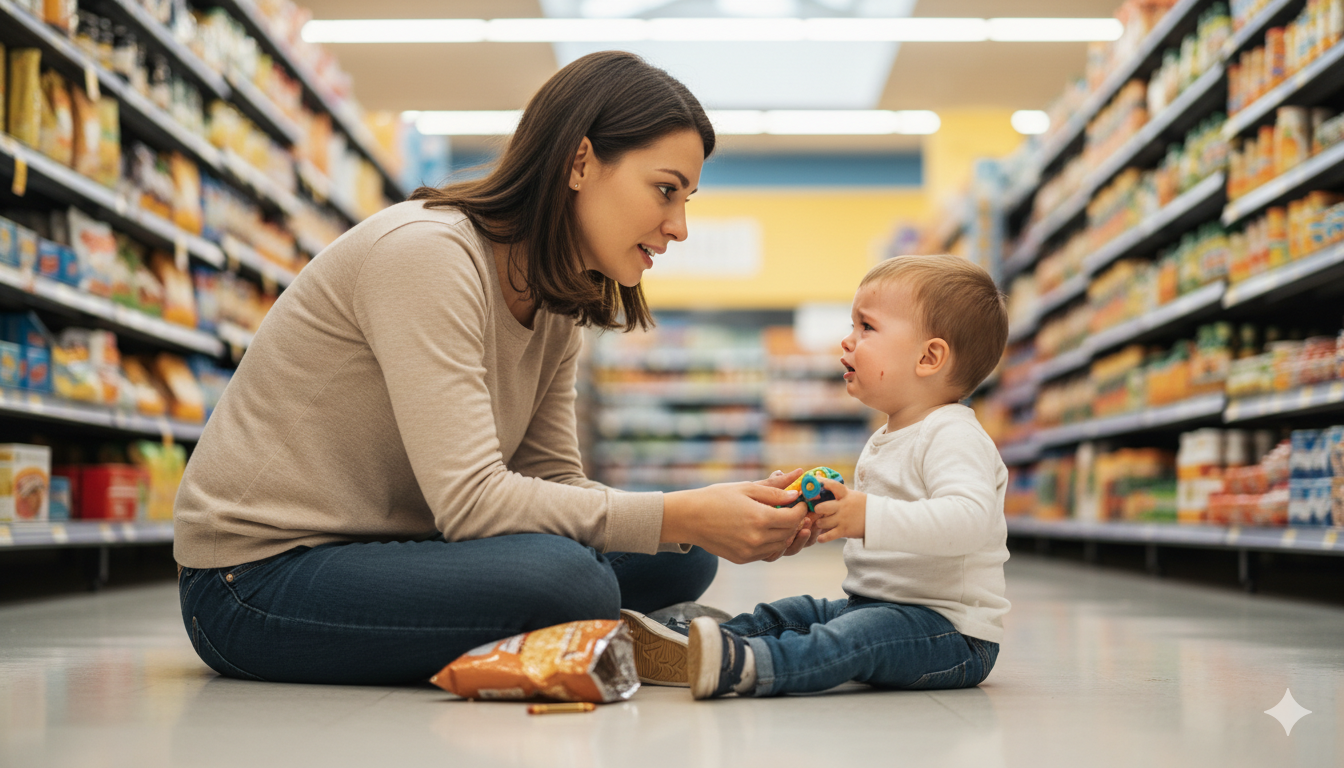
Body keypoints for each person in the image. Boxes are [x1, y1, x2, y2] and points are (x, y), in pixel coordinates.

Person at [173, 51, 819, 686]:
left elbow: (554, 482)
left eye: (687, 199)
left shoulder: (559, 300)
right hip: (254, 580)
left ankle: (595, 626)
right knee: (574, 579)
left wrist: (697, 518)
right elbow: (472, 503)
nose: (679, 226)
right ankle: (602, 624)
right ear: (580, 162)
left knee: (683, 559)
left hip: (395, 547)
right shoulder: (429, 256)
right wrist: (676, 512)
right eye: (665, 190)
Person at [628, 254, 1010, 698]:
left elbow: (968, 520)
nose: (847, 342)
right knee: (793, 612)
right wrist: (819, 509)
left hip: (952, 634)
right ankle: (693, 638)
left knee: (854, 640)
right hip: (873, 606)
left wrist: (864, 515)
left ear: (929, 357)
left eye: (866, 327)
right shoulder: (891, 433)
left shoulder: (954, 434)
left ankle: (747, 664)